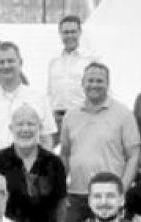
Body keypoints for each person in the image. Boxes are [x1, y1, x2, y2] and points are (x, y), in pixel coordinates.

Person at [61, 62, 140, 222]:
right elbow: (65, 154)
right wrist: (61, 190)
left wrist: (122, 189)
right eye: (90, 80)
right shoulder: (70, 116)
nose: (94, 85)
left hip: (110, 194)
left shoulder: (123, 114)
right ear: (82, 83)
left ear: (107, 84)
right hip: (77, 194)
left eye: (99, 81)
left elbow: (133, 156)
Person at [0, 42, 56, 163]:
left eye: (10, 61)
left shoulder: (39, 99)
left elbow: (47, 140)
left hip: (27, 167)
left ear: (21, 63)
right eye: (1, 62)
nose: (6, 66)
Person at [47, 14, 94, 143]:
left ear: (80, 32)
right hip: (57, 119)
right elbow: (50, 92)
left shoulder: (90, 60)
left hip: (82, 117)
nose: (69, 36)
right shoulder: (54, 61)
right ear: (60, 34)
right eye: (66, 32)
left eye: (73, 32)